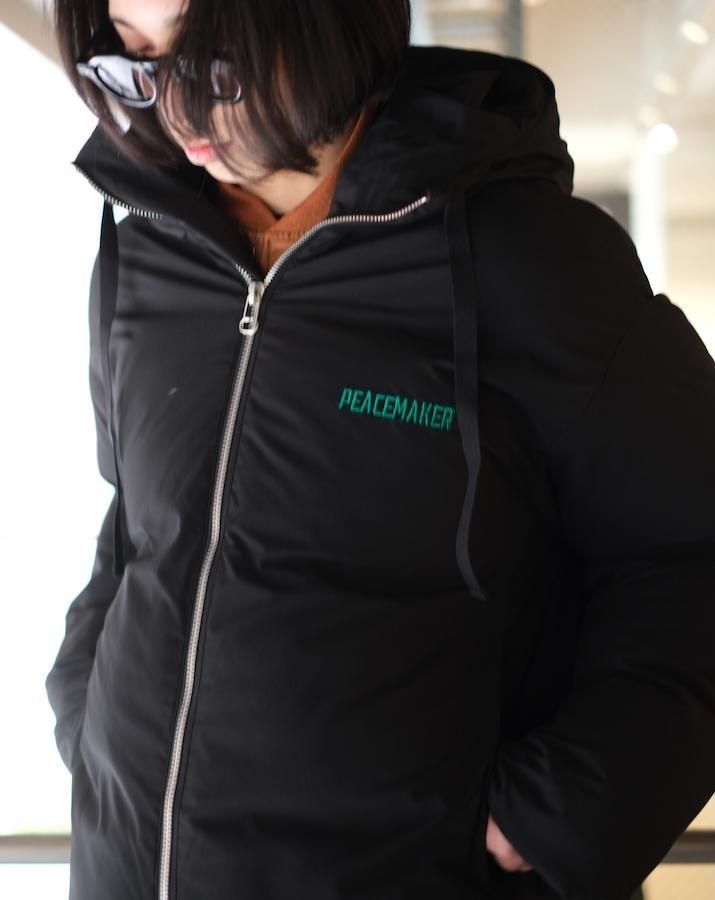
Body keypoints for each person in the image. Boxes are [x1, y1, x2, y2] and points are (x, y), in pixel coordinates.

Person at [44, 1, 715, 899]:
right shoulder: (143, 260)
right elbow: (141, 525)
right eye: (137, 64)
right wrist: (86, 709)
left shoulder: (534, 263)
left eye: (212, 64)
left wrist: (564, 810)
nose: (175, 111)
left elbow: (690, 554)